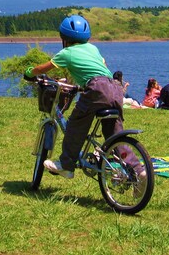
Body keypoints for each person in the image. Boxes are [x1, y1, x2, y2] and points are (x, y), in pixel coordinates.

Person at [24, 15, 132, 180]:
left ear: (64, 38)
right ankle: (137, 169)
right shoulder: (93, 48)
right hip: (115, 87)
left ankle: (67, 166)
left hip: (97, 87)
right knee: (115, 132)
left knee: (76, 124)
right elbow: (101, 66)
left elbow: (42, 68)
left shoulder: (66, 53)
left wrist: (30, 72)